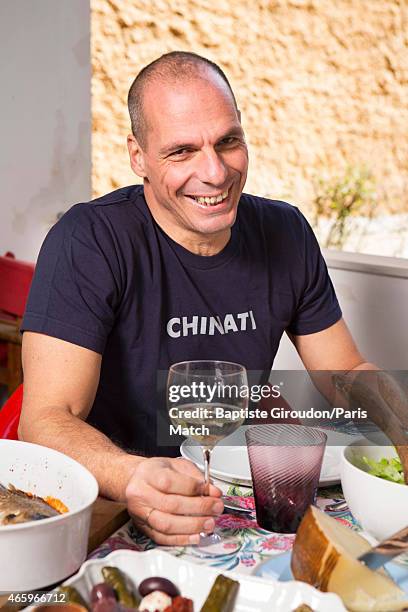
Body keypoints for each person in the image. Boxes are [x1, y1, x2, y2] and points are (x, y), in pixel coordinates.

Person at [19, 51, 378, 545]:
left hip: (239, 493)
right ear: (138, 156)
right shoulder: (89, 240)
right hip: (117, 502)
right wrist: (132, 477)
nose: (214, 172)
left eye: (227, 141)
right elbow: (45, 419)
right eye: (181, 151)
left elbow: (345, 373)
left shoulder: (286, 230)